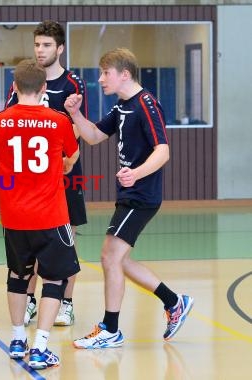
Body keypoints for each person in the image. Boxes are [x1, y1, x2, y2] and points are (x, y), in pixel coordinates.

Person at [64, 47, 194, 349]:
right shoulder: (122, 106)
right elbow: (94, 136)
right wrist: (74, 114)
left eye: (105, 73)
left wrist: (136, 173)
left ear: (124, 74)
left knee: (110, 257)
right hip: (130, 194)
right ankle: (174, 302)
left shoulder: (146, 104)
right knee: (118, 260)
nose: (100, 80)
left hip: (142, 195)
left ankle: (111, 328)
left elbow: (163, 150)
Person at [0, 59, 81, 370]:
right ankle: (40, 347)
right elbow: (72, 155)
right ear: (43, 89)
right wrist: (62, 165)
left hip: (14, 217)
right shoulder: (58, 120)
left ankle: (17, 340)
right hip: (51, 216)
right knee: (54, 278)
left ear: (14, 87)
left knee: (18, 275)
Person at [5, 20, 88, 327]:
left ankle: (65, 302)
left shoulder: (72, 84)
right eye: (37, 45)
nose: (40, 50)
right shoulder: (22, 82)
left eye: (47, 45)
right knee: (28, 236)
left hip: (64, 174)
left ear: (60, 48)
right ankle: (27, 300)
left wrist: (60, 157)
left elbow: (77, 128)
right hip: (29, 178)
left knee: (67, 235)